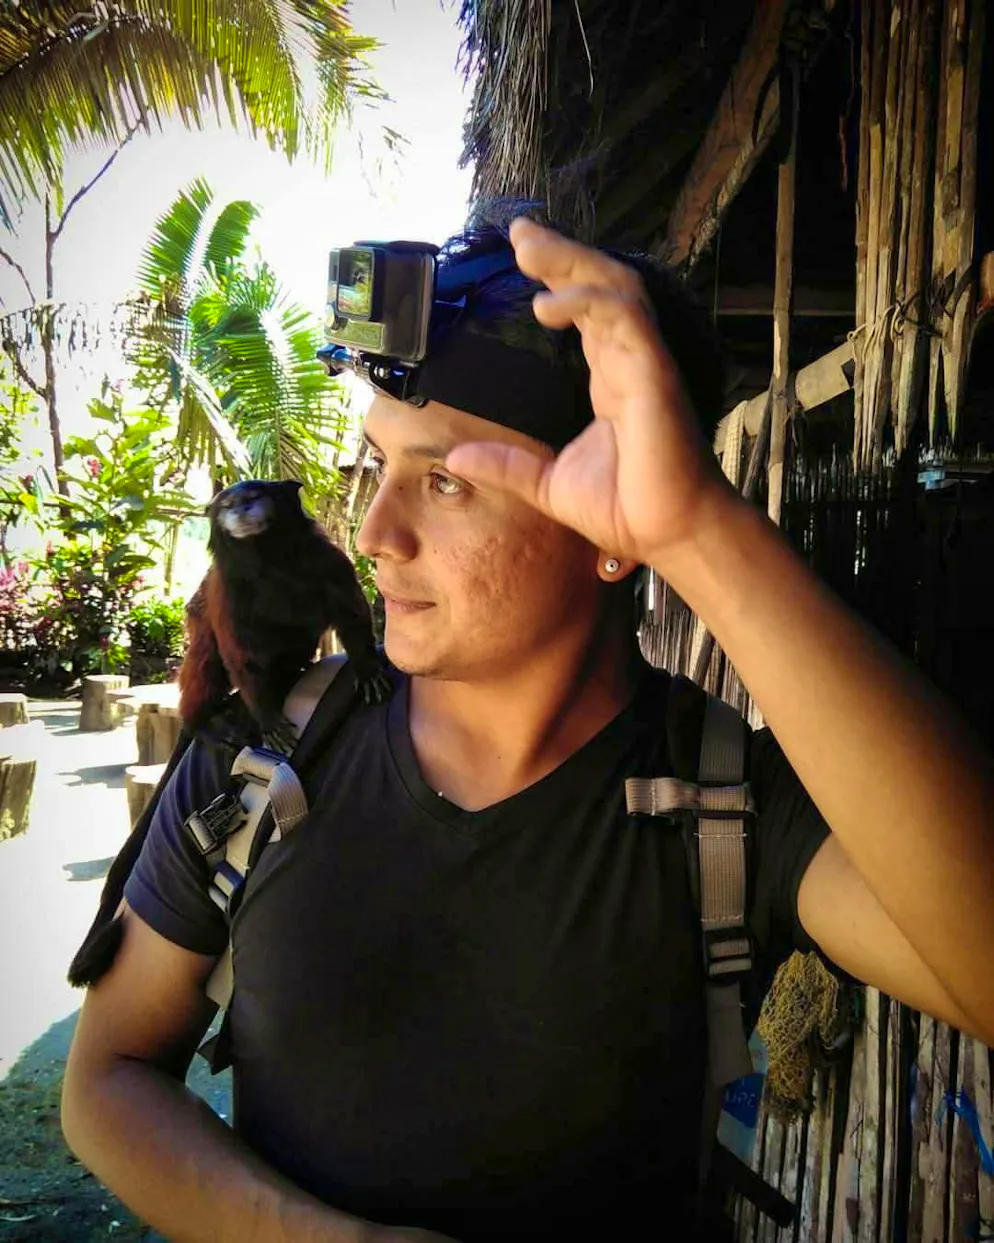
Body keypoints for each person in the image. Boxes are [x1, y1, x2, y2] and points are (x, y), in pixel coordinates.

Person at [61, 205, 994, 1243]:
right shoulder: (261, 763)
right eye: (379, 466)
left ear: (607, 528)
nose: (374, 533)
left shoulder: (717, 806)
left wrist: (696, 529)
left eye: (445, 481)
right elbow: (107, 1076)